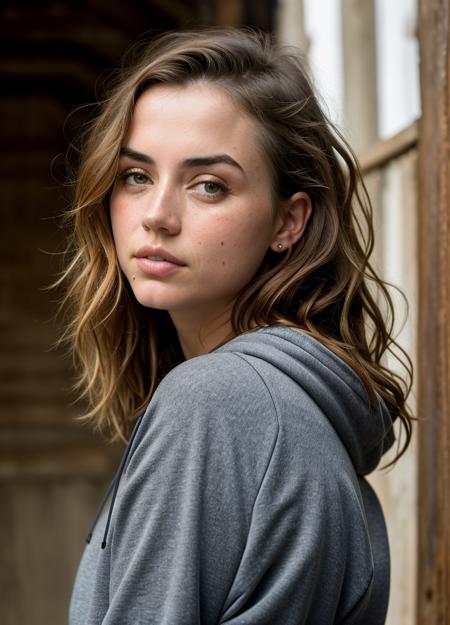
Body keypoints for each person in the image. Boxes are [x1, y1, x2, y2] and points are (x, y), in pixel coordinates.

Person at [61, 26, 413, 625]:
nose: (157, 216)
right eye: (136, 176)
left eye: (209, 185)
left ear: (288, 222)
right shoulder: (293, 407)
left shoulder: (214, 405)